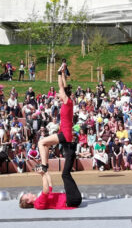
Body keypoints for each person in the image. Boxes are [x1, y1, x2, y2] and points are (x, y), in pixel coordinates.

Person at [37, 63, 81, 206]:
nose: (58, 93)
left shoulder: (68, 102)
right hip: (65, 136)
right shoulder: (66, 102)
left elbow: (62, 87)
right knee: (45, 144)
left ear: (64, 96)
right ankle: (44, 165)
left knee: (41, 142)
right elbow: (64, 86)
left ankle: (44, 166)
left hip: (65, 135)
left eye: (60, 93)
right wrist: (62, 73)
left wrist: (58, 73)